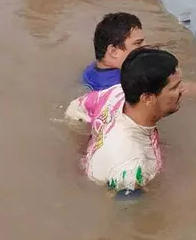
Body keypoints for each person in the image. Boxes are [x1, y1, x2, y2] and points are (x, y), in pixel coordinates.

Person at [65, 47, 183, 192]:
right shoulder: (131, 170)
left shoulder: (117, 93)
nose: (182, 90)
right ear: (147, 98)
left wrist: (85, 146)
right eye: (175, 88)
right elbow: (129, 211)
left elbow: (75, 109)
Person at [82, 12, 146, 91]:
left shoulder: (90, 71)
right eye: (138, 43)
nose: (145, 46)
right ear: (113, 51)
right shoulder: (124, 86)